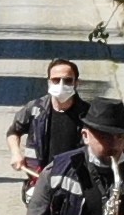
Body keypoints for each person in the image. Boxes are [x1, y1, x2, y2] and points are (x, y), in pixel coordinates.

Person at [12, 58, 93, 188]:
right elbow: (14, 131)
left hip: (75, 183)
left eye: (67, 80)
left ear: (76, 83)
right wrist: (16, 154)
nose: (61, 84)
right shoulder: (35, 108)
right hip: (39, 179)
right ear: (49, 82)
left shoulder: (89, 114)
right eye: (56, 80)